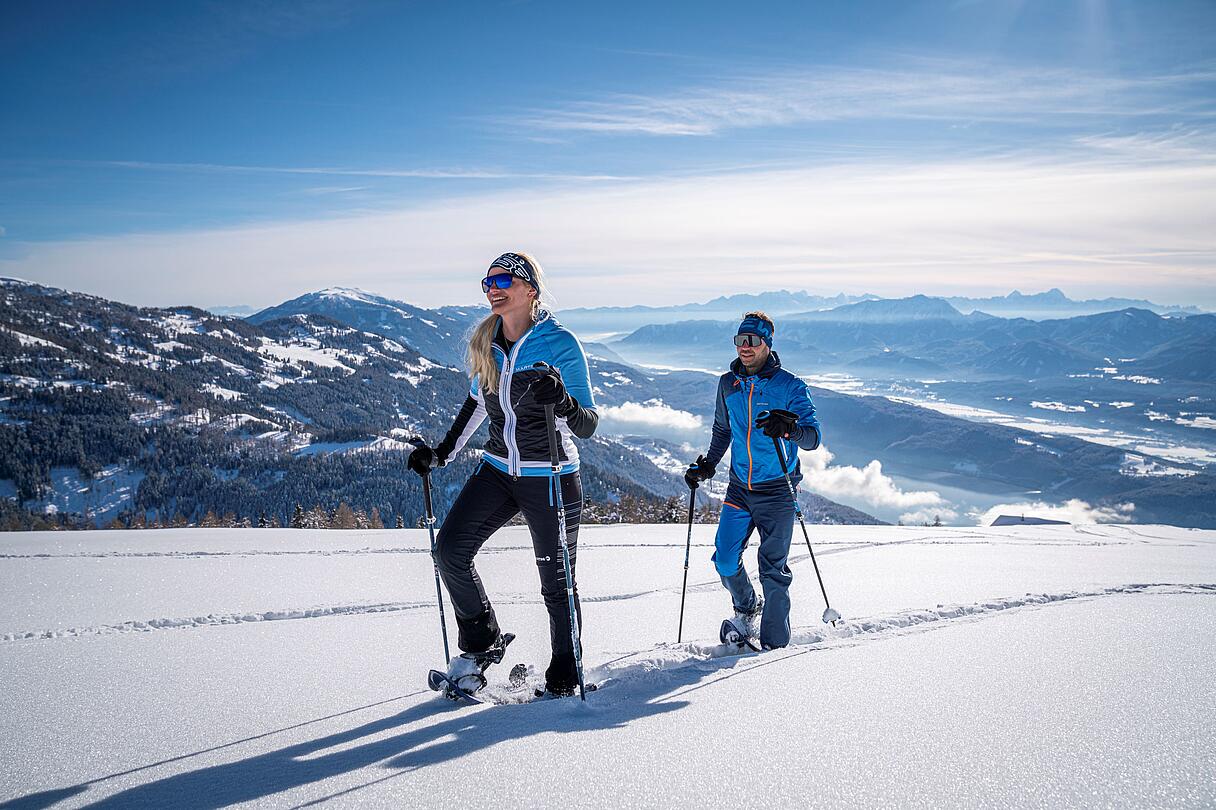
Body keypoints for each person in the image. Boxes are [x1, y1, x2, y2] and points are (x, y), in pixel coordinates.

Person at [407, 252, 598, 698]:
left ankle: (565, 675)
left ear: (530, 289)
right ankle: (481, 644)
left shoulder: (560, 344)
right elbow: (478, 403)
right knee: (450, 550)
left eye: (504, 280)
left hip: (551, 475)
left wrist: (564, 401)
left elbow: (588, 424)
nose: (493, 288)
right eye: (488, 281)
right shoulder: (488, 341)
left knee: (557, 583)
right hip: (497, 469)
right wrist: (440, 454)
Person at [684, 311, 821, 650]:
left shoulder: (790, 386)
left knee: (773, 571)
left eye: (752, 341)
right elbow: (722, 430)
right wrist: (708, 465)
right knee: (725, 558)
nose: (744, 347)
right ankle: (747, 608)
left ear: (767, 344)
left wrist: (788, 429)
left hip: (778, 490)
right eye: (739, 340)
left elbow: (813, 437)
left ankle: (773, 648)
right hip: (740, 488)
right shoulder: (727, 384)